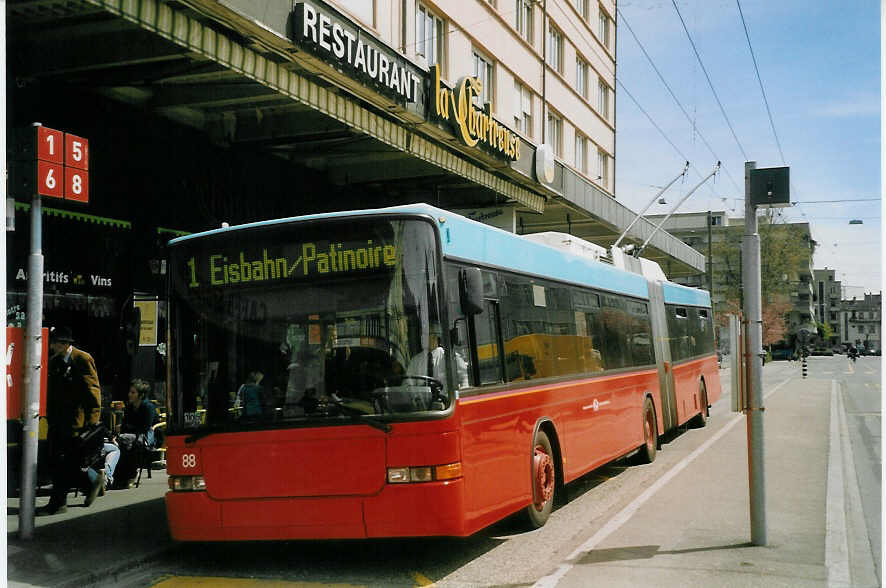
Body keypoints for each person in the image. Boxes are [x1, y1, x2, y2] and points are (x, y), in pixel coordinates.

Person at [38, 326, 104, 515]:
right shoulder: (54, 362)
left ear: (65, 344)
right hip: (57, 421)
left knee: (65, 463)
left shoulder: (82, 359)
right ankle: (92, 480)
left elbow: (93, 389)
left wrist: (93, 420)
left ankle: (59, 503)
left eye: (55, 343)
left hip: (77, 422)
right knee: (59, 461)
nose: (52, 346)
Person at [114, 378, 158, 488]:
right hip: (132, 434)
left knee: (126, 441)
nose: (129, 395)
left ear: (141, 395)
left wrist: (128, 429)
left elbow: (145, 427)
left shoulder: (148, 407)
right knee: (120, 442)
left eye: (133, 392)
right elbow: (125, 424)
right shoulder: (129, 407)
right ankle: (122, 476)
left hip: (146, 436)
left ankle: (131, 474)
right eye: (130, 392)